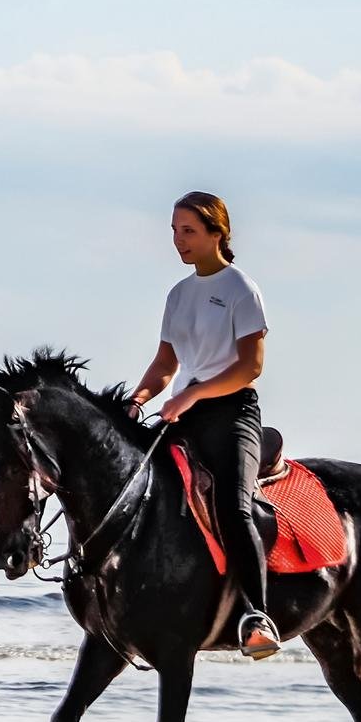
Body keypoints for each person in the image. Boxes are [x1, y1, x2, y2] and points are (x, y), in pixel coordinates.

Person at [127, 191, 278, 660]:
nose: (178, 241)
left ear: (218, 233)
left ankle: (257, 616)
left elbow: (250, 367)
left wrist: (193, 393)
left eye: (188, 231)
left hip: (232, 413)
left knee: (234, 509)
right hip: (183, 416)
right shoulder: (178, 294)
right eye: (173, 231)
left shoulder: (240, 289)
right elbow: (165, 364)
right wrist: (138, 400)